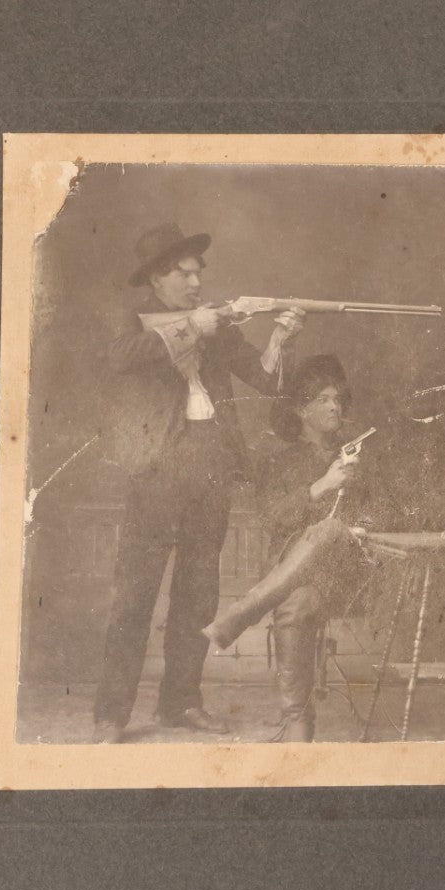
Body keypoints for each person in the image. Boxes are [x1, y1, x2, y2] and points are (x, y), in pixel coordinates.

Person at [92, 223, 303, 744]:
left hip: (211, 465)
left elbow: (266, 380)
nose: (194, 283)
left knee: (198, 596)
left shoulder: (216, 326)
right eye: (184, 274)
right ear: (157, 279)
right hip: (156, 467)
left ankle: (181, 703)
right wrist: (193, 328)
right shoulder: (129, 318)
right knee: (134, 599)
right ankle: (110, 715)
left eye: (197, 274)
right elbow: (123, 357)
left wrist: (279, 336)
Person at [205, 354, 380, 742]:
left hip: (348, 569)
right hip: (296, 578)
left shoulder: (356, 456)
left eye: (337, 399)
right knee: (296, 605)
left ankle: (242, 612)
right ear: (301, 409)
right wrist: (321, 486)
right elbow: (271, 519)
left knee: (332, 527)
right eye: (322, 399)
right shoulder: (278, 461)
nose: (335, 406)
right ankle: (298, 719)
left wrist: (360, 525)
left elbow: (382, 510)